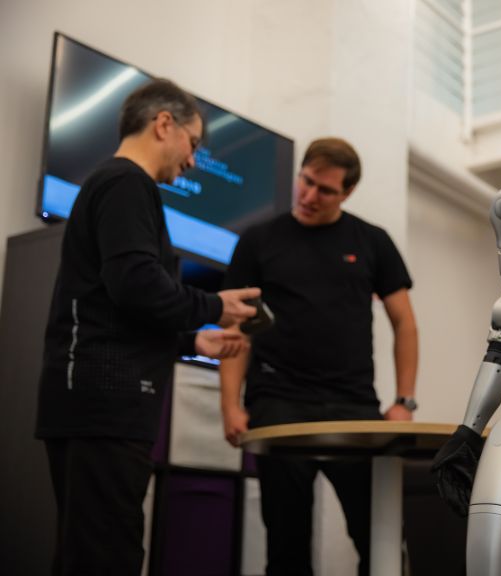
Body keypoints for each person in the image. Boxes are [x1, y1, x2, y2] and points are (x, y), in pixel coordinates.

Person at [34, 78, 261, 576]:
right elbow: (137, 285)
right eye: (193, 143)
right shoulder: (126, 183)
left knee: (85, 555)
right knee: (106, 558)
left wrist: (192, 339)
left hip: (93, 404)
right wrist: (214, 306)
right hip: (104, 406)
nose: (193, 161)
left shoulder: (114, 183)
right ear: (163, 124)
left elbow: (120, 305)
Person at [219, 137, 419, 576]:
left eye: (325, 190)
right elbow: (236, 328)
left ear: (347, 192)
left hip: (353, 406)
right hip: (278, 403)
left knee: (381, 539)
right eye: (306, 181)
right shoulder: (258, 241)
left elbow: (404, 322)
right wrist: (230, 404)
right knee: (286, 546)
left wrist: (404, 401)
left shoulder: (372, 241)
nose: (309, 196)